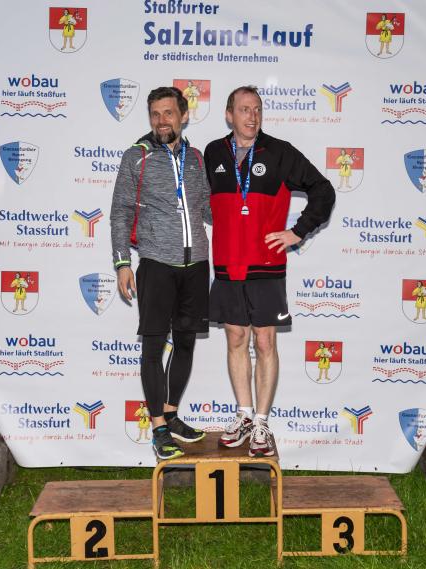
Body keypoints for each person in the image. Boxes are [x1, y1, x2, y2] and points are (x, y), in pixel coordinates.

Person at [205, 86, 335, 457]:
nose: (252, 116)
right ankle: (244, 415)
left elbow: (323, 190)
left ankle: (261, 421)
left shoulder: (279, 152)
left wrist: (298, 231)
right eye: (244, 109)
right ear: (229, 115)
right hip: (227, 264)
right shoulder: (213, 152)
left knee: (264, 342)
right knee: (235, 339)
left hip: (266, 264)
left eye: (257, 109)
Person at [111, 86, 211, 461]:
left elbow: (208, 209)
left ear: (183, 115)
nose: (161, 121)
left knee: (185, 343)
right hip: (155, 263)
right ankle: (157, 428)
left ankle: (171, 415)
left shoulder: (196, 159)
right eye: (155, 114)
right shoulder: (136, 157)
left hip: (196, 264)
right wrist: (122, 262)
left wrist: (243, 212)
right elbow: (121, 212)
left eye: (168, 113)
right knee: (153, 349)